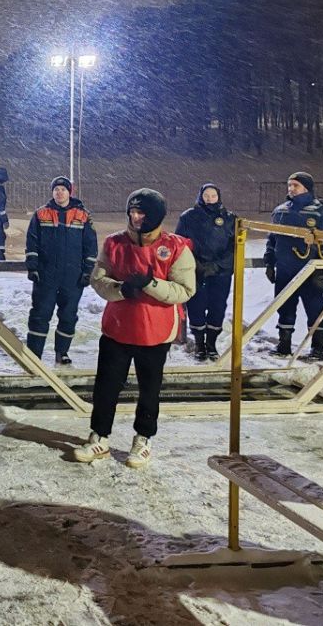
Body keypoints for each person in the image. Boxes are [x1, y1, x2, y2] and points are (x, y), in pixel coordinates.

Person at [74, 189, 196, 468]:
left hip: (155, 332)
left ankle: (143, 438)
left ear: (155, 216)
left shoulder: (176, 247)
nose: (136, 217)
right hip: (117, 329)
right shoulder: (114, 243)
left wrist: (151, 284)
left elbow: (185, 290)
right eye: (132, 212)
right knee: (106, 387)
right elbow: (99, 279)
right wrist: (121, 290)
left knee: (149, 389)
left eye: (142, 213)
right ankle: (99, 437)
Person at [263, 172, 323, 360]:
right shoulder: (281, 210)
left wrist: (322, 269)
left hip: (310, 269)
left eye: (295, 185)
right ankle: (284, 345)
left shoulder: (322, 211)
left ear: (306, 187)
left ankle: (318, 348)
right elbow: (272, 238)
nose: (291, 189)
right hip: (285, 268)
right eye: (289, 185)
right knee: (285, 307)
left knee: (314, 308)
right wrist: (270, 262)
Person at [24, 176, 97, 366]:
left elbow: (90, 246)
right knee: (40, 314)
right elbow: (32, 242)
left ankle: (62, 352)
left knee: (68, 315)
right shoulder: (41, 214)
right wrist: (33, 266)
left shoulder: (83, 215)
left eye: (63, 189)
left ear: (69, 192)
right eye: (56, 189)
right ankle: (34, 355)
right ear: (52, 192)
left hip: (72, 277)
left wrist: (88, 270)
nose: (59, 192)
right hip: (46, 275)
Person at [175, 183, 237, 361]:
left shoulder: (229, 218)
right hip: (196, 272)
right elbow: (180, 244)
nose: (210, 199)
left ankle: (211, 344)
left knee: (218, 307)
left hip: (221, 273)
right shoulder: (188, 217)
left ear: (219, 197)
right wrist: (196, 264)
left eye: (213, 196)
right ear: (200, 196)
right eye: (206, 195)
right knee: (197, 307)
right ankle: (200, 345)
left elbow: (235, 247)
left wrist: (217, 266)